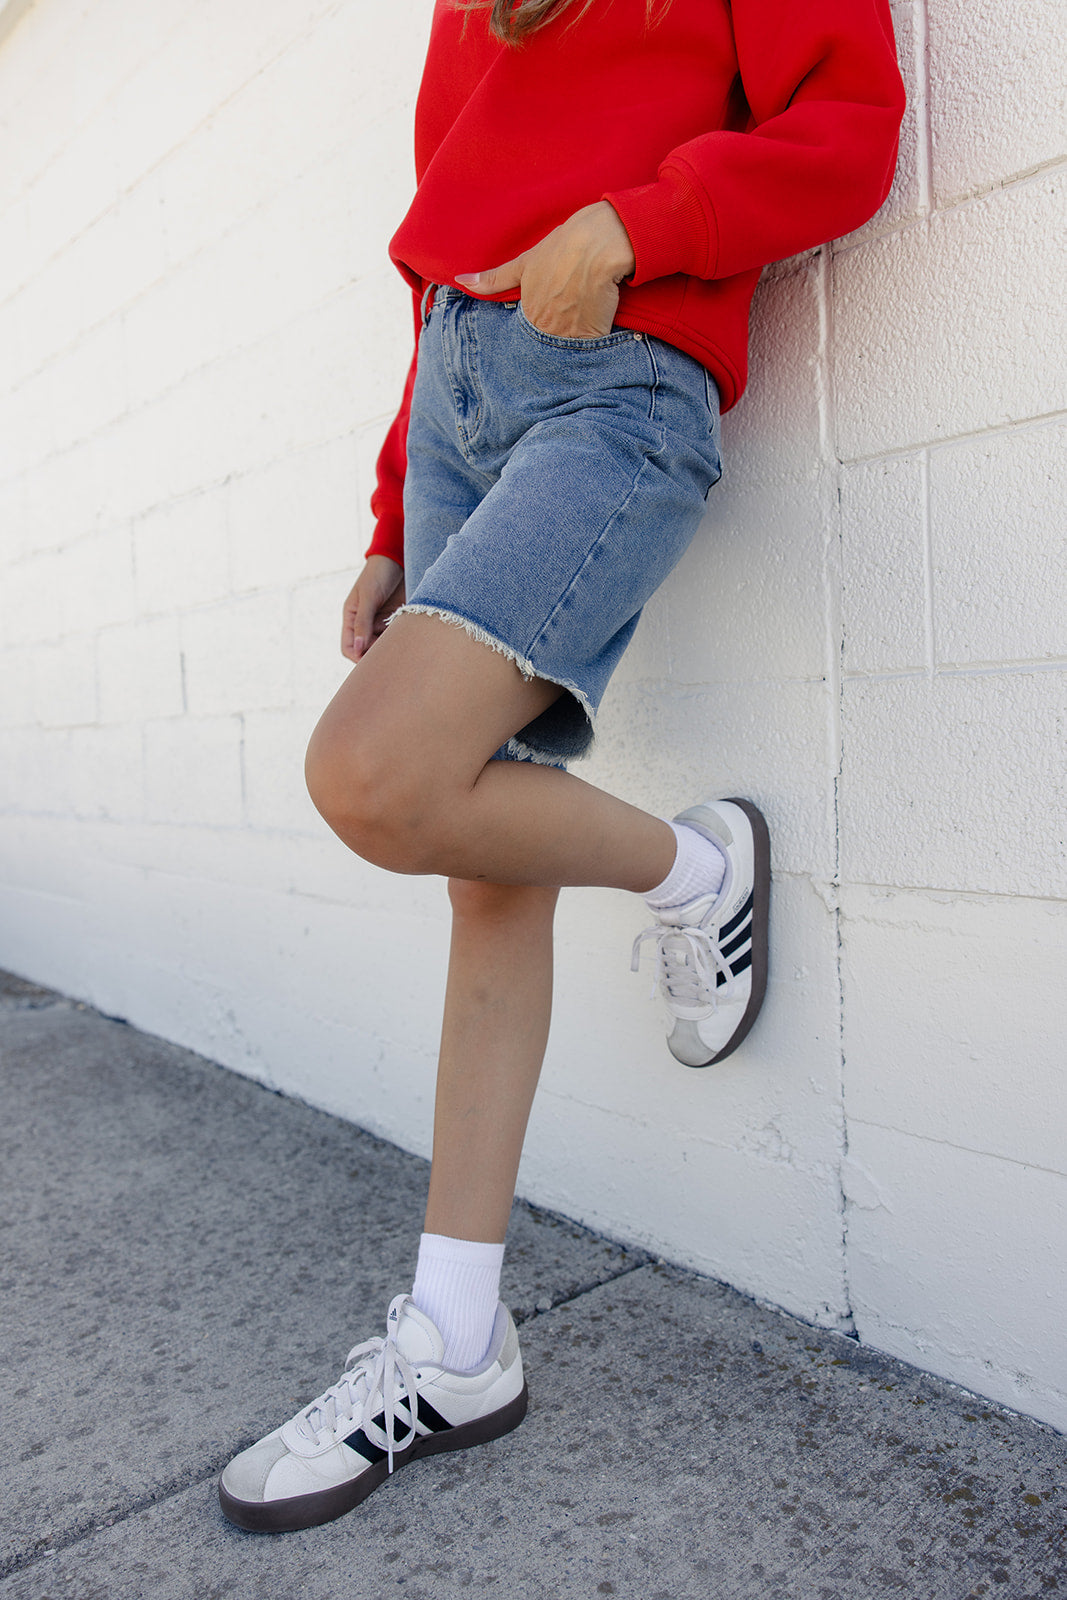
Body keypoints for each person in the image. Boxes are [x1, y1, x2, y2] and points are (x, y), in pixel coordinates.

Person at [219, 0, 904, 1532]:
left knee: (373, 777)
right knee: (478, 870)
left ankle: (696, 869)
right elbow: (439, 261)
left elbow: (849, 130)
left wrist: (635, 225)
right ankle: (457, 1343)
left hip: (615, 380)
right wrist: (396, 514)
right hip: (464, 392)